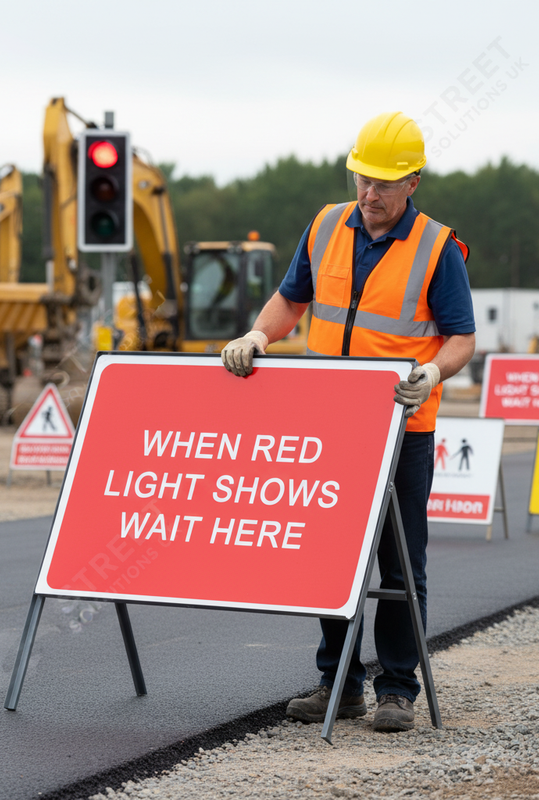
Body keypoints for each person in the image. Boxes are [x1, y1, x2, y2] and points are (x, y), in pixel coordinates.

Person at [221, 111, 476, 733]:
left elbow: (461, 338)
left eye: (385, 183)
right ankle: (339, 683)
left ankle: (397, 689)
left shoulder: (437, 248)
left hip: (401, 430)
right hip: (331, 425)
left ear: (412, 182)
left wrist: (432, 373)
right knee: (330, 558)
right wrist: (258, 334)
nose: (370, 193)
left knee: (400, 565)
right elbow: (291, 299)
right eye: (363, 178)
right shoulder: (326, 225)